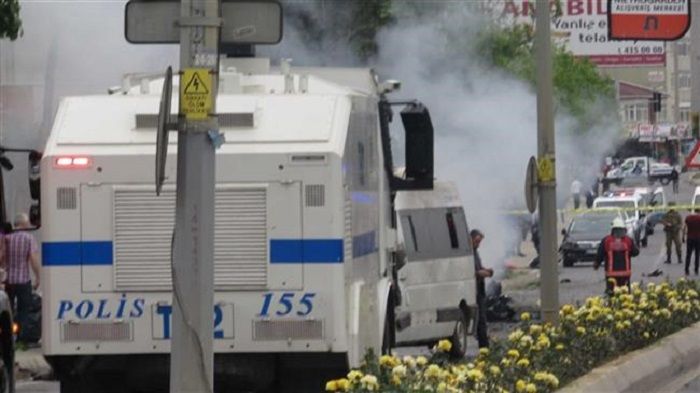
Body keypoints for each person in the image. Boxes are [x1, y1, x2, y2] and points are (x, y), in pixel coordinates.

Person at [3, 213, 40, 343]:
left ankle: (8, 338)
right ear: (23, 224)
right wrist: (38, 276)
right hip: (23, 280)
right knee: (24, 309)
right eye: (27, 223)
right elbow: (33, 259)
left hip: (8, 281)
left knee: (9, 309)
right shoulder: (29, 238)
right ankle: (20, 338)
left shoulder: (6, 238)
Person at [595, 218, 639, 294]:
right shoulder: (628, 240)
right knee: (625, 293)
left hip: (611, 274)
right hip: (625, 273)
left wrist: (597, 264)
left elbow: (600, 254)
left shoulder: (606, 240)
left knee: (611, 293)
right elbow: (636, 252)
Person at [470, 229, 493, 348]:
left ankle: (484, 344)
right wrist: (483, 273)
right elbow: (473, 272)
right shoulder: (469, 253)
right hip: (474, 290)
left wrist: (486, 270)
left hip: (480, 289)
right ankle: (484, 345)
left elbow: (479, 267)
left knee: (482, 319)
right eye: (477, 241)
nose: (478, 244)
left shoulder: (475, 252)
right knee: (480, 320)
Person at [684, 209, 700, 275]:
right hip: (698, 238)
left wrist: (683, 237)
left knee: (688, 254)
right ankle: (696, 269)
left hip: (690, 238)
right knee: (697, 255)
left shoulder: (688, 218)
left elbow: (684, 227)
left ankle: (686, 270)